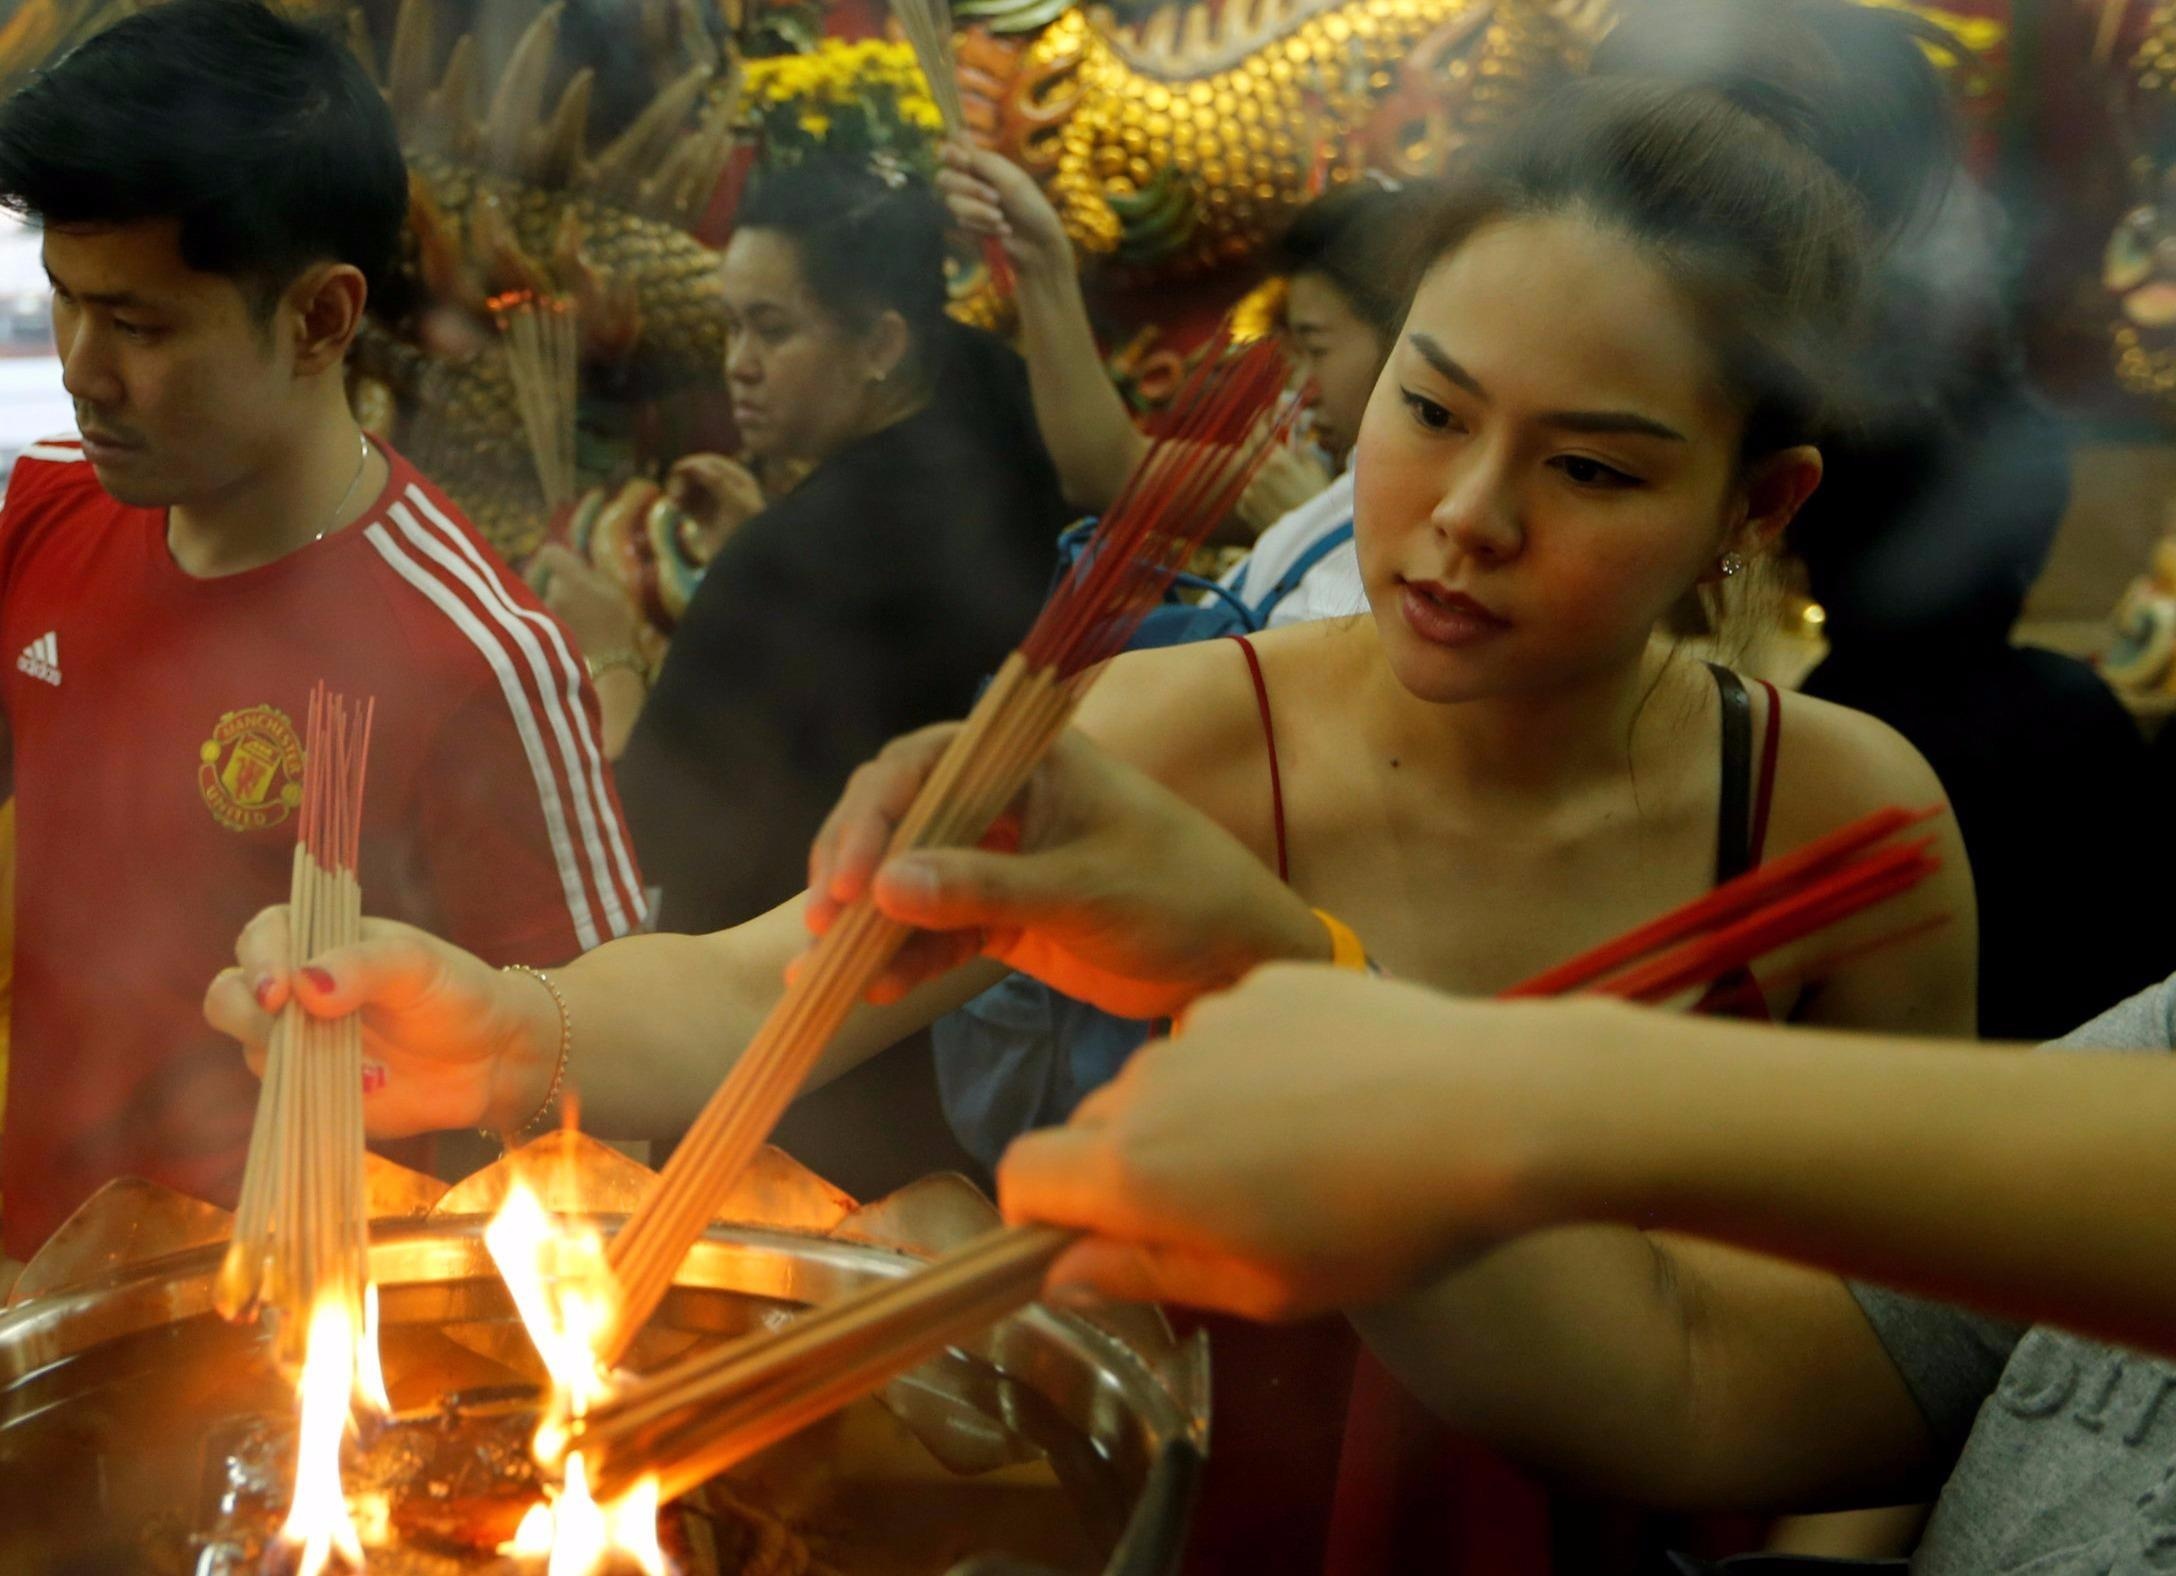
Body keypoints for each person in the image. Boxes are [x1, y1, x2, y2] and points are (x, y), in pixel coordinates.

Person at [209, 63, 1983, 1568]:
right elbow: (776, 991)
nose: (1469, 514)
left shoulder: (1845, 837)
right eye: (1432, 410)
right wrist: (501, 1025)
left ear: (1758, 504)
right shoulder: (1179, 734)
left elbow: (1887, 1374)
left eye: (1589, 467)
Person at [0, 0, 644, 1265]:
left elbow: (598, 1103)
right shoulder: (46, 508)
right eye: (66, 303)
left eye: (138, 325)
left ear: (319, 319)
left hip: (285, 1340)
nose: (81, 367)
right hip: (34, 1294)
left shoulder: (474, 656)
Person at [596, 157, 1070, 940]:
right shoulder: (997, 387)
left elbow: (635, 837)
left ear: (882, 343)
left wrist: (609, 656)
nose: (738, 365)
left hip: (822, 955)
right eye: (731, 326)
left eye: (772, 330)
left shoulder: (784, 559)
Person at [938, 148, 1411, 629]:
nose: (1300, 385)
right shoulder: (1318, 465)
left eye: (1316, 348)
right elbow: (1111, 470)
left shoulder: (1432, 501)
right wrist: (1042, 261)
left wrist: (1305, 527)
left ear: (1403, 339)